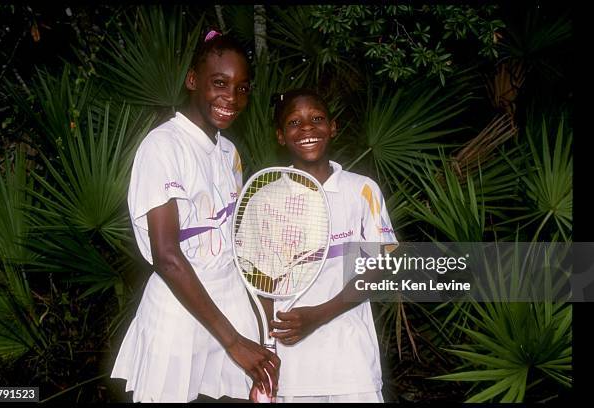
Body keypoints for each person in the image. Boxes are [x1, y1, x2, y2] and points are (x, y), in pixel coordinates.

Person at [110, 30, 279, 403]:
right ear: (192, 80)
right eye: (220, 83)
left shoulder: (229, 151)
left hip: (229, 305)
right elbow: (167, 257)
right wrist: (234, 341)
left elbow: (233, 243)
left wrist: (258, 313)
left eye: (242, 88)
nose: (231, 99)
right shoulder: (163, 145)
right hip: (180, 314)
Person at [261, 88, 398, 403]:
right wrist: (267, 351)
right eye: (294, 122)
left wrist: (319, 315)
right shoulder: (267, 198)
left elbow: (379, 267)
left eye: (317, 119)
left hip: (352, 362)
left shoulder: (362, 189)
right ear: (280, 136)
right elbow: (263, 285)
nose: (307, 128)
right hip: (293, 364)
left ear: (333, 127)